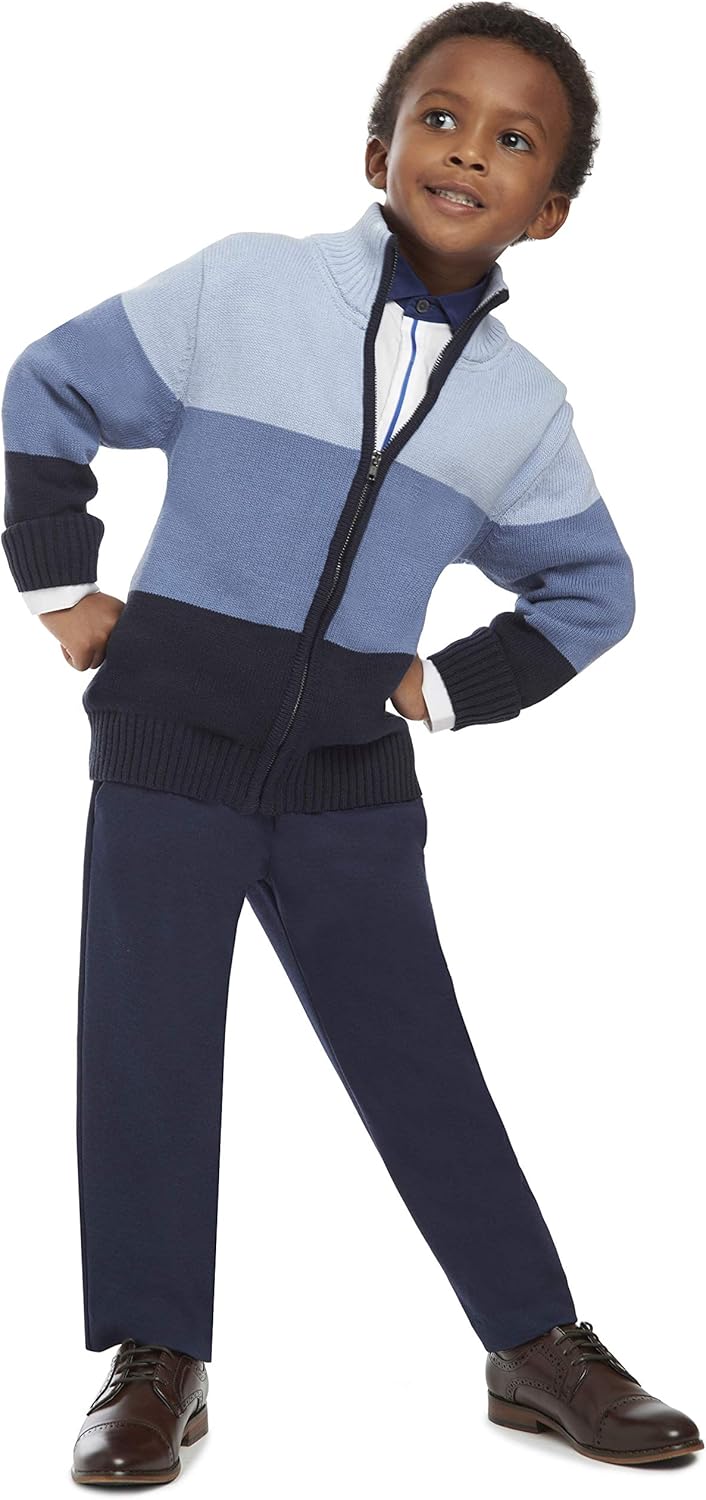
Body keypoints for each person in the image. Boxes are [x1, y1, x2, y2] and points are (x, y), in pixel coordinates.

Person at [2, 1, 701, 1483]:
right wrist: (63, 590)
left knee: (418, 1057)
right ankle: (155, 1360)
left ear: (550, 210)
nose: (469, 151)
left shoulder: (519, 410)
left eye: (514, 140)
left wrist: (441, 689)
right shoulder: (246, 287)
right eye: (441, 118)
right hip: (170, 742)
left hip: (346, 782)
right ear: (376, 147)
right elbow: (48, 387)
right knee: (146, 1049)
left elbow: (595, 589)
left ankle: (534, 1345)